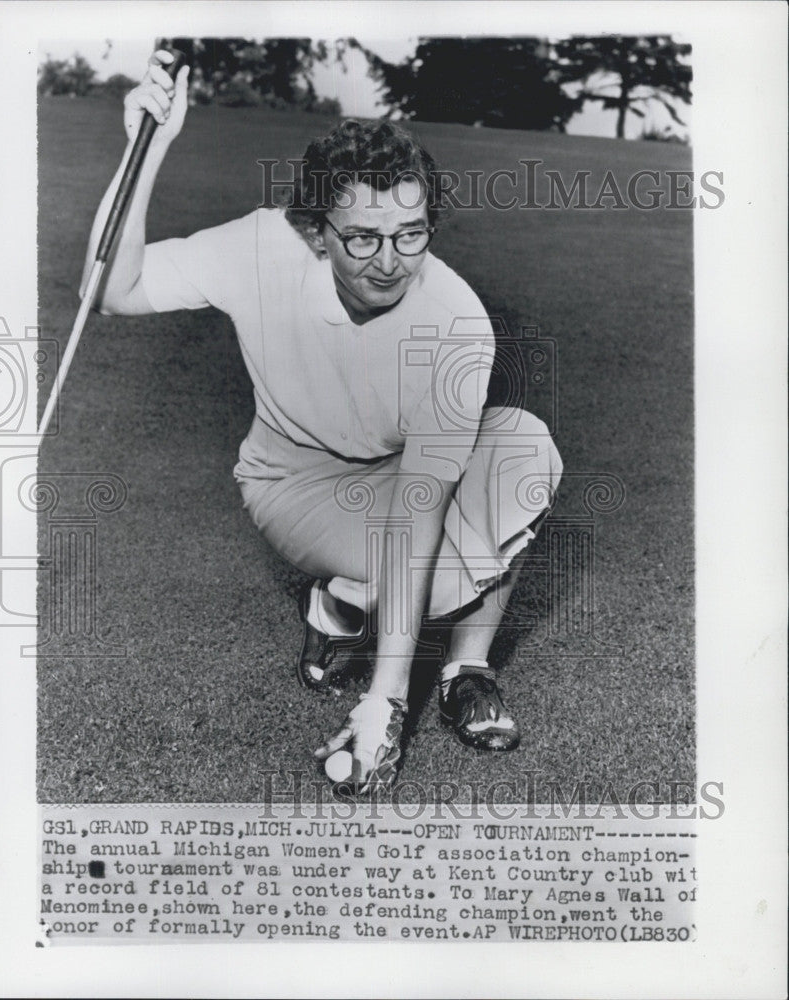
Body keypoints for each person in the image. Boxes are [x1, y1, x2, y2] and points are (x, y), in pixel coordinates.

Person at [83, 51, 563, 793]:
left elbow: (419, 506)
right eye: (361, 237)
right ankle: (342, 599)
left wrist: (386, 698)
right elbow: (115, 289)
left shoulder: (456, 322)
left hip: (399, 482)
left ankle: (466, 667)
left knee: (527, 450)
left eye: (411, 232)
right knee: (429, 584)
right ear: (314, 231)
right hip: (294, 482)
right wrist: (145, 152)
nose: (390, 261)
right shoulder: (259, 247)